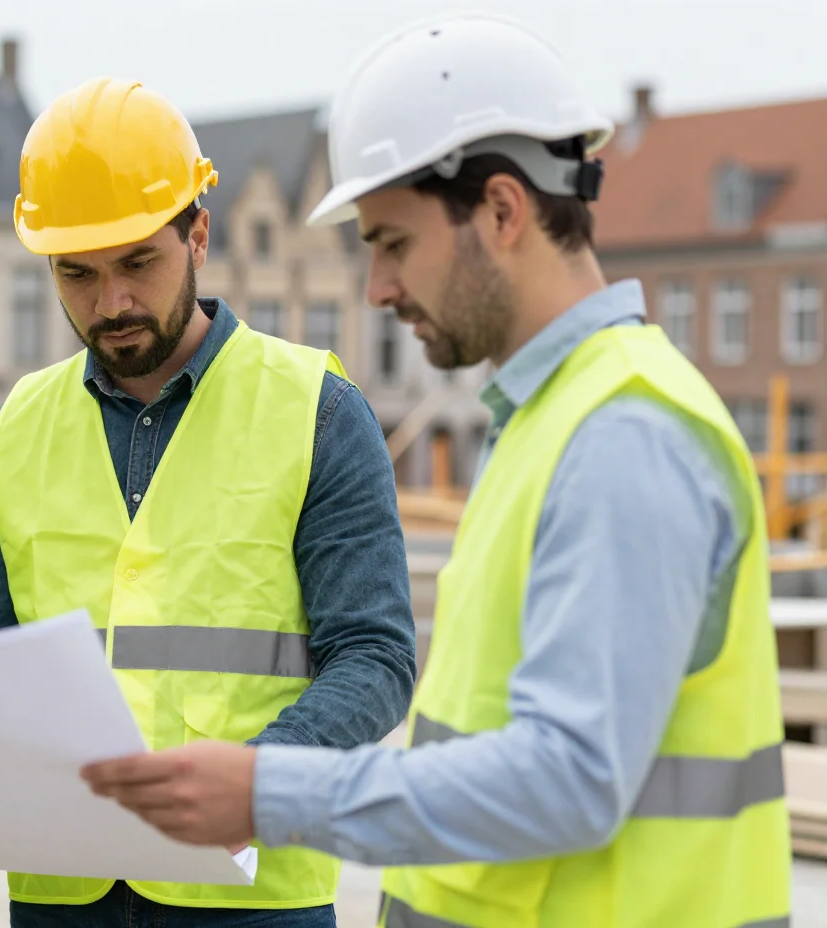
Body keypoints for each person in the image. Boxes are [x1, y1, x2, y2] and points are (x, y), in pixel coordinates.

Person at [83, 15, 791, 928]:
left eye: (394, 243)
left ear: (501, 211)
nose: (377, 288)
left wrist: (267, 790)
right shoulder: (556, 418)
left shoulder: (624, 434)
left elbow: (569, 778)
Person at [0, 76, 417, 927]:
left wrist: (256, 781)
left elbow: (375, 658)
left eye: (137, 263)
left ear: (198, 232)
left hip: (251, 898)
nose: (110, 303)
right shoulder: (16, 426)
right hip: (63, 893)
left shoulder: (317, 410)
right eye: (76, 274)